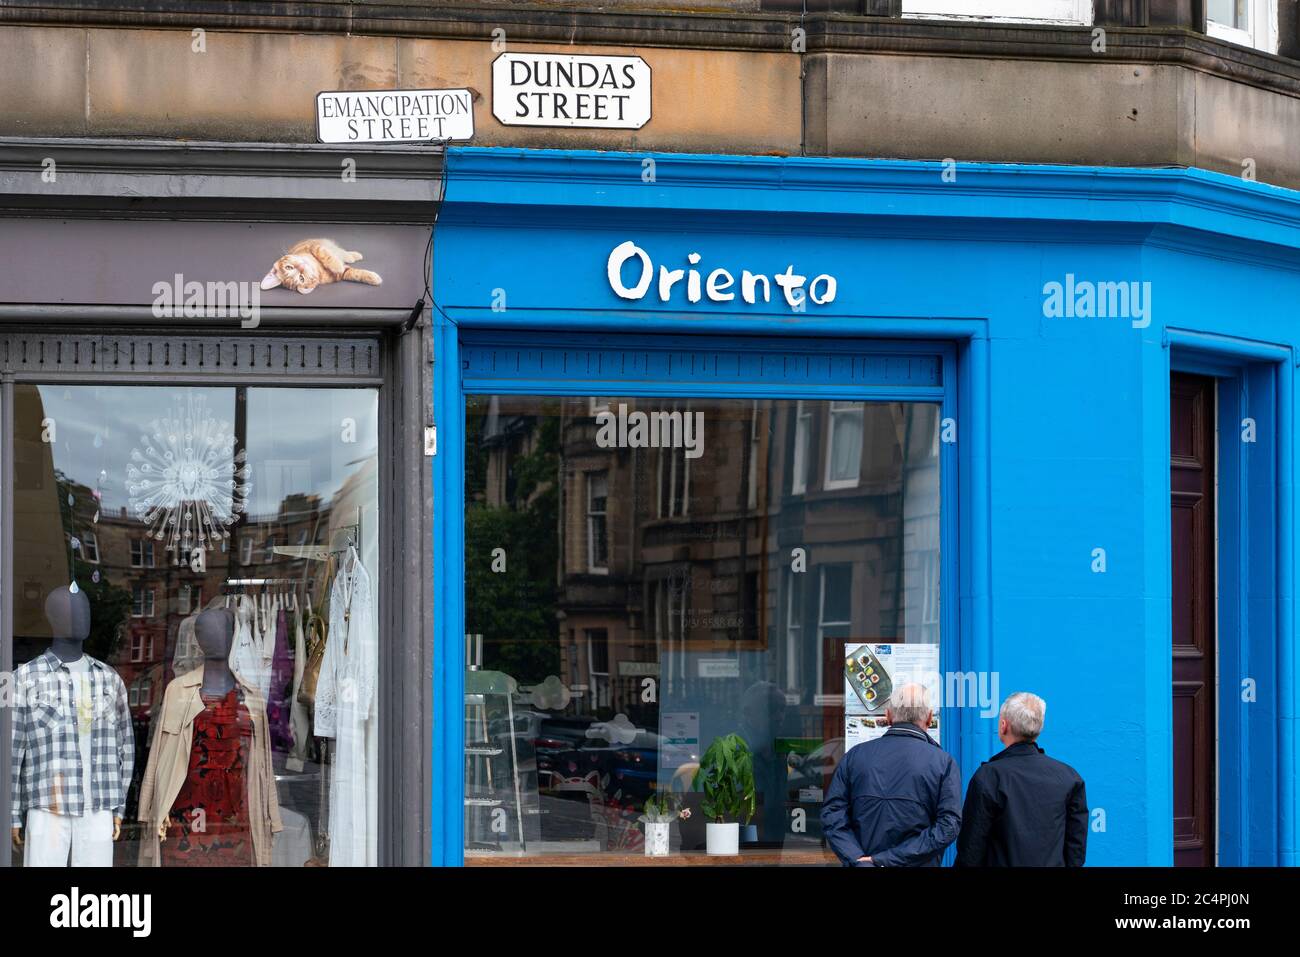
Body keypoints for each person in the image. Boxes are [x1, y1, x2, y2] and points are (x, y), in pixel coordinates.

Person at [821, 683, 961, 867]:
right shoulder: (943, 763)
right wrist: (884, 860)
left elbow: (832, 814)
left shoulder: (855, 756)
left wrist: (859, 859)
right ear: (928, 718)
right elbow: (948, 826)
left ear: (887, 716)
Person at [955, 691, 1088, 867]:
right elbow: (1075, 851)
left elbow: (970, 850)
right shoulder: (1070, 778)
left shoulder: (989, 777)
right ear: (1039, 728)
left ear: (1003, 726)